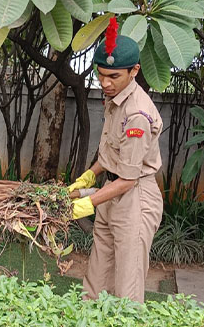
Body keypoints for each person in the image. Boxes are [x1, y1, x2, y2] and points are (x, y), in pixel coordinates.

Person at [69, 18, 163, 303]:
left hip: (134, 198)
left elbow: (129, 179)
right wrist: (88, 176)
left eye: (113, 77)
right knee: (96, 279)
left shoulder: (137, 115)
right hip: (111, 193)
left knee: (127, 287)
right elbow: (110, 155)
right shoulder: (115, 99)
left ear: (134, 71)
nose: (105, 83)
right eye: (101, 75)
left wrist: (87, 202)